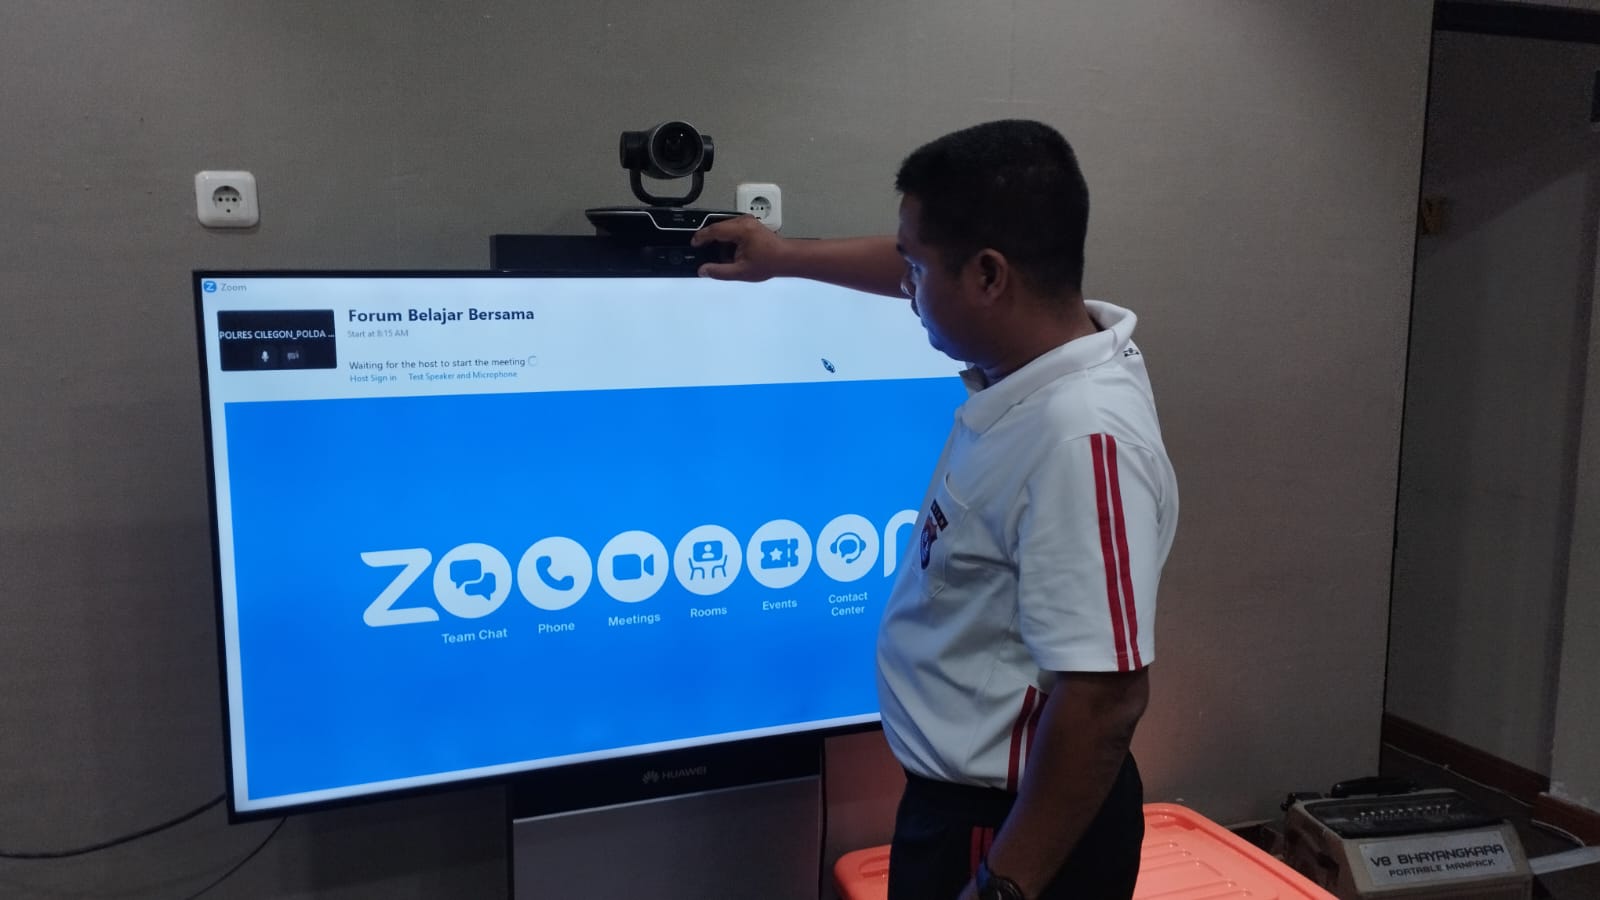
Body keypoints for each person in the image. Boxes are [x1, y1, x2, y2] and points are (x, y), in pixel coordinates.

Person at [692, 119, 1178, 900]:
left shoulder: (1080, 437)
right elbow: (926, 263)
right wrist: (782, 258)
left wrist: (1003, 886)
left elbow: (1108, 699)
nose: (906, 288)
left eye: (915, 271)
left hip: (1010, 831)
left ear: (988, 276)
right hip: (964, 810)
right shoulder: (1046, 350)